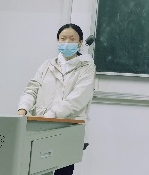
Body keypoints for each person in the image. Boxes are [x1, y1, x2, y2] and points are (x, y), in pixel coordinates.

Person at [17, 23, 95, 175]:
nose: (67, 42)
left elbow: (77, 100)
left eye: (72, 39)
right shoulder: (47, 65)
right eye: (63, 38)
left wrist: (50, 116)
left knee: (62, 172)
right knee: (36, 170)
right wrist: (23, 109)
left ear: (80, 42)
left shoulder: (87, 67)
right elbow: (32, 89)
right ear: (58, 41)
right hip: (40, 128)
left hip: (68, 129)